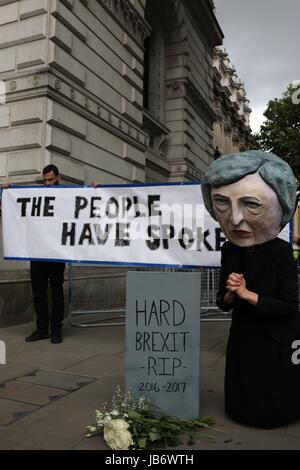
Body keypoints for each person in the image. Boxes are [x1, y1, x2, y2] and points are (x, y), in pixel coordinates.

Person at [202, 150, 300, 429]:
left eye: (251, 205)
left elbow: (289, 307)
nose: (234, 220)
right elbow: (223, 302)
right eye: (221, 203)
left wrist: (248, 295)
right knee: (245, 388)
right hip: (244, 336)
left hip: (276, 340)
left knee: (273, 391)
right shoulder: (229, 250)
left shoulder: (281, 252)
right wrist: (231, 293)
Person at [2, 165, 65, 343]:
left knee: (56, 293)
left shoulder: (66, 195)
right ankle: (42, 329)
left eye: (50, 179)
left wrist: (95, 188)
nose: (47, 183)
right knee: (38, 293)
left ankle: (56, 329)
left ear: (58, 177)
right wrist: (7, 192)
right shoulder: (37, 193)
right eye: (45, 180)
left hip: (56, 254)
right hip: (37, 254)